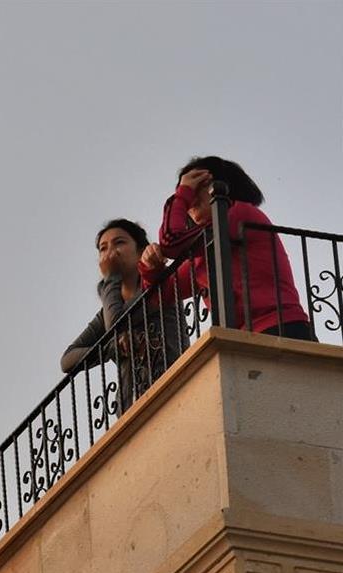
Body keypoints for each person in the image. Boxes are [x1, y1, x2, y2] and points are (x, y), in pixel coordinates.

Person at [140, 156, 313, 339]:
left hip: (280, 327)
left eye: (199, 186)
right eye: (188, 192)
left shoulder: (240, 212)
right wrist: (151, 270)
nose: (191, 199)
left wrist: (181, 196)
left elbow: (171, 242)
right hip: (247, 337)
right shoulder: (205, 249)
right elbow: (158, 297)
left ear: (225, 185)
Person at [61, 219, 190, 409]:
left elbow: (118, 324)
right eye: (103, 248)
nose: (110, 252)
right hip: (130, 409)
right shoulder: (106, 312)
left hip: (171, 392)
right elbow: (68, 360)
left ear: (140, 251)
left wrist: (111, 278)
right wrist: (114, 348)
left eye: (119, 242)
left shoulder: (160, 286)